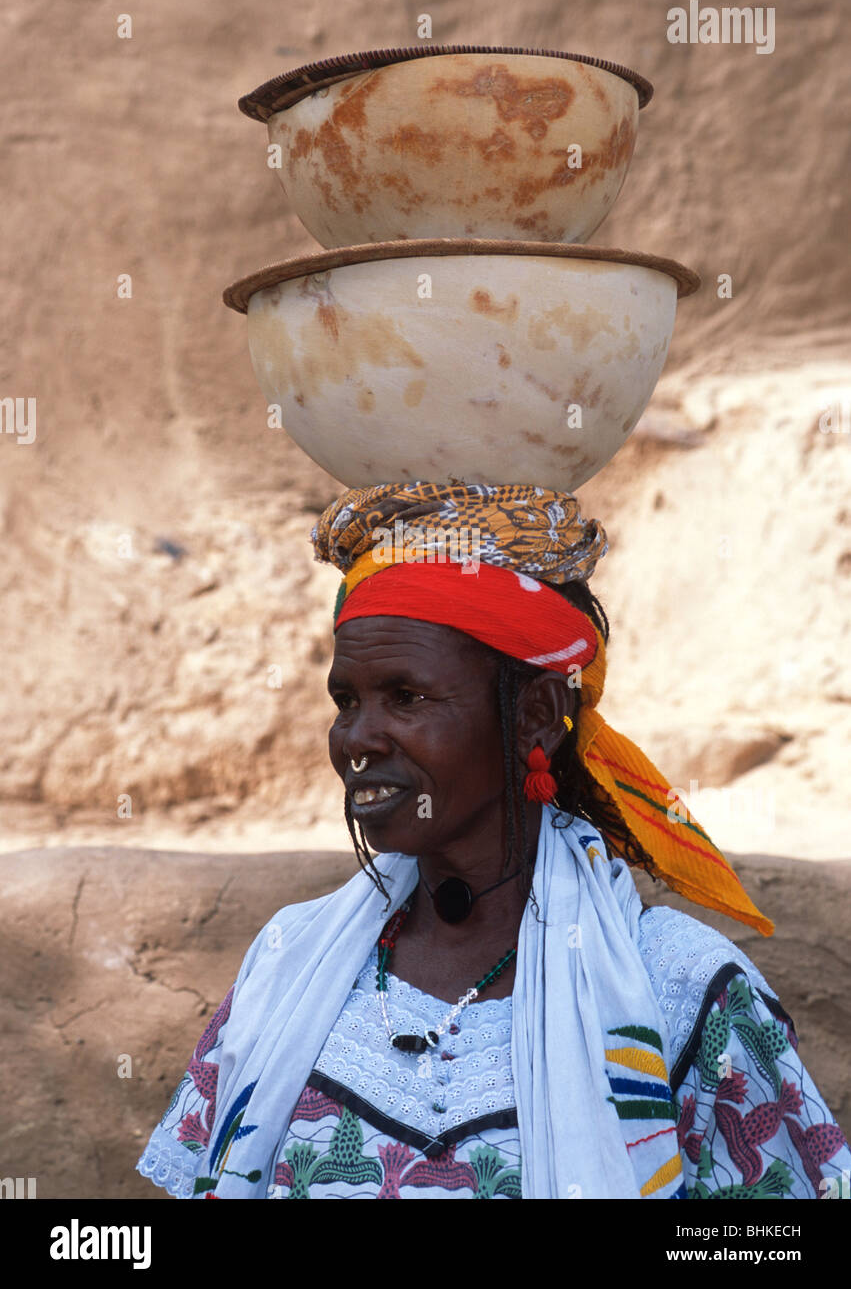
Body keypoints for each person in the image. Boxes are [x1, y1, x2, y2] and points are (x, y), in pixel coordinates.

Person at [137, 482, 850, 1199]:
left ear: (536, 715)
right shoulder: (290, 959)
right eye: (345, 701)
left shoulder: (683, 991)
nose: (356, 738)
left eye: (406, 697)